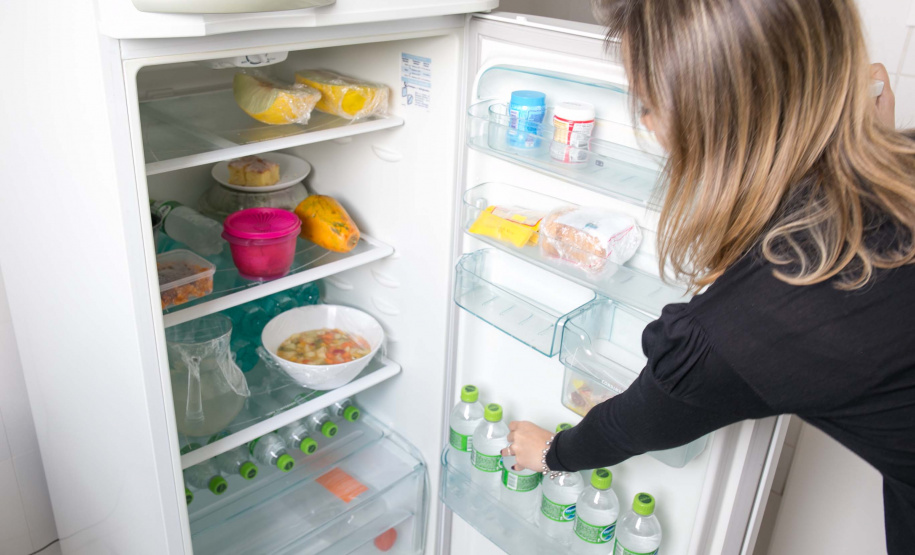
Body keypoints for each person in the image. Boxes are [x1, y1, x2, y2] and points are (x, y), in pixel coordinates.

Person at [502, 1, 915, 552]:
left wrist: (554, 452)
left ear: (714, 124)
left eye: (647, 104)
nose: (644, 122)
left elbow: (635, 422)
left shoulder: (752, 322)